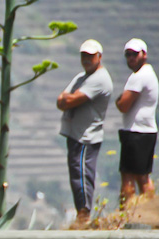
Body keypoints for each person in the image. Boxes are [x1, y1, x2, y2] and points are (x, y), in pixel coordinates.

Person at [56, 39, 113, 224]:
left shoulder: (99, 79)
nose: (86, 59)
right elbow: (60, 101)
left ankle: (84, 215)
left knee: (82, 175)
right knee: (76, 174)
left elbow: (69, 100)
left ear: (99, 57)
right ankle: (82, 213)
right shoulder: (81, 77)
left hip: (86, 137)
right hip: (76, 135)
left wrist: (68, 98)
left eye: (90, 56)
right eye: (84, 55)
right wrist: (67, 98)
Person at [115, 38, 158, 203]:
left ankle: (127, 211)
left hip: (136, 132)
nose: (131, 58)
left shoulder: (139, 76)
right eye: (128, 55)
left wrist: (119, 101)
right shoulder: (149, 74)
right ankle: (150, 210)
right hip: (146, 131)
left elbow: (123, 105)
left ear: (144, 54)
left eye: (135, 54)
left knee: (128, 176)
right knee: (143, 176)